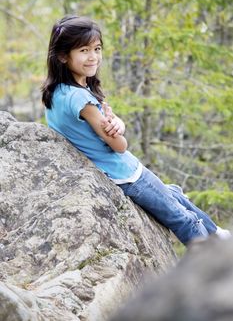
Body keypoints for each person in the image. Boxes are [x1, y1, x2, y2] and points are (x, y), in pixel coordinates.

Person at [41, 15, 231, 246]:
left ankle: (216, 233)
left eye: (97, 49)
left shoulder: (58, 92)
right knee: (183, 219)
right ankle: (214, 266)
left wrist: (117, 122)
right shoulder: (82, 99)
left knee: (172, 193)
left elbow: (97, 125)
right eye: (83, 50)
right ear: (63, 56)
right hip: (125, 173)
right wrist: (118, 131)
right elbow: (120, 146)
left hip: (111, 170)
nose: (93, 57)